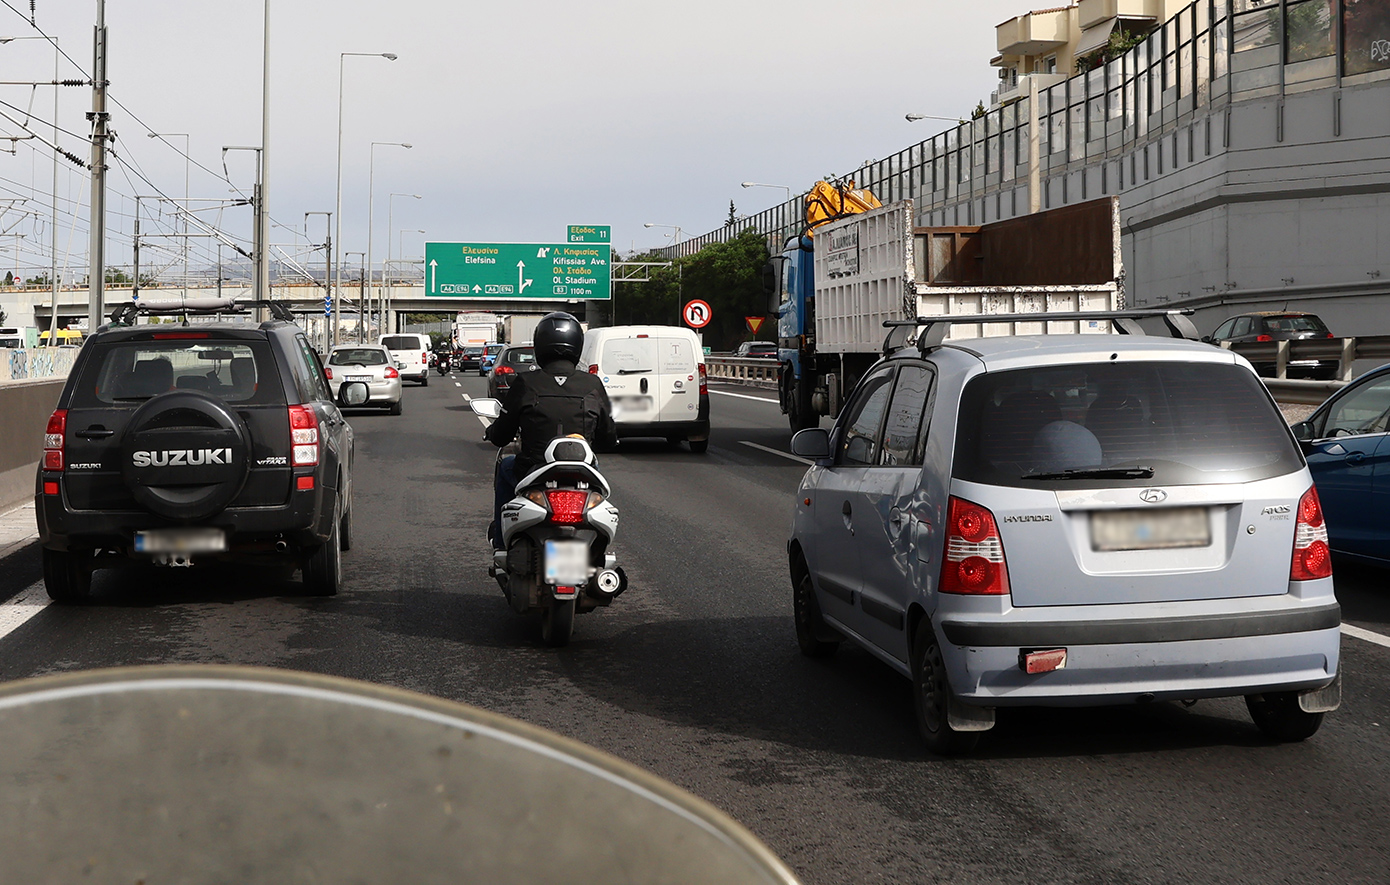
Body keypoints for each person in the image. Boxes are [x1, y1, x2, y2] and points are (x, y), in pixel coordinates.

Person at [484, 312, 616, 549]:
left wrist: (492, 432)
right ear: (577, 345)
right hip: (583, 473)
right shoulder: (592, 384)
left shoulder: (526, 382)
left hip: (533, 470)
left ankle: (502, 542)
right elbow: (608, 437)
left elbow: (502, 435)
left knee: (505, 465)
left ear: (540, 345)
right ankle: (599, 548)